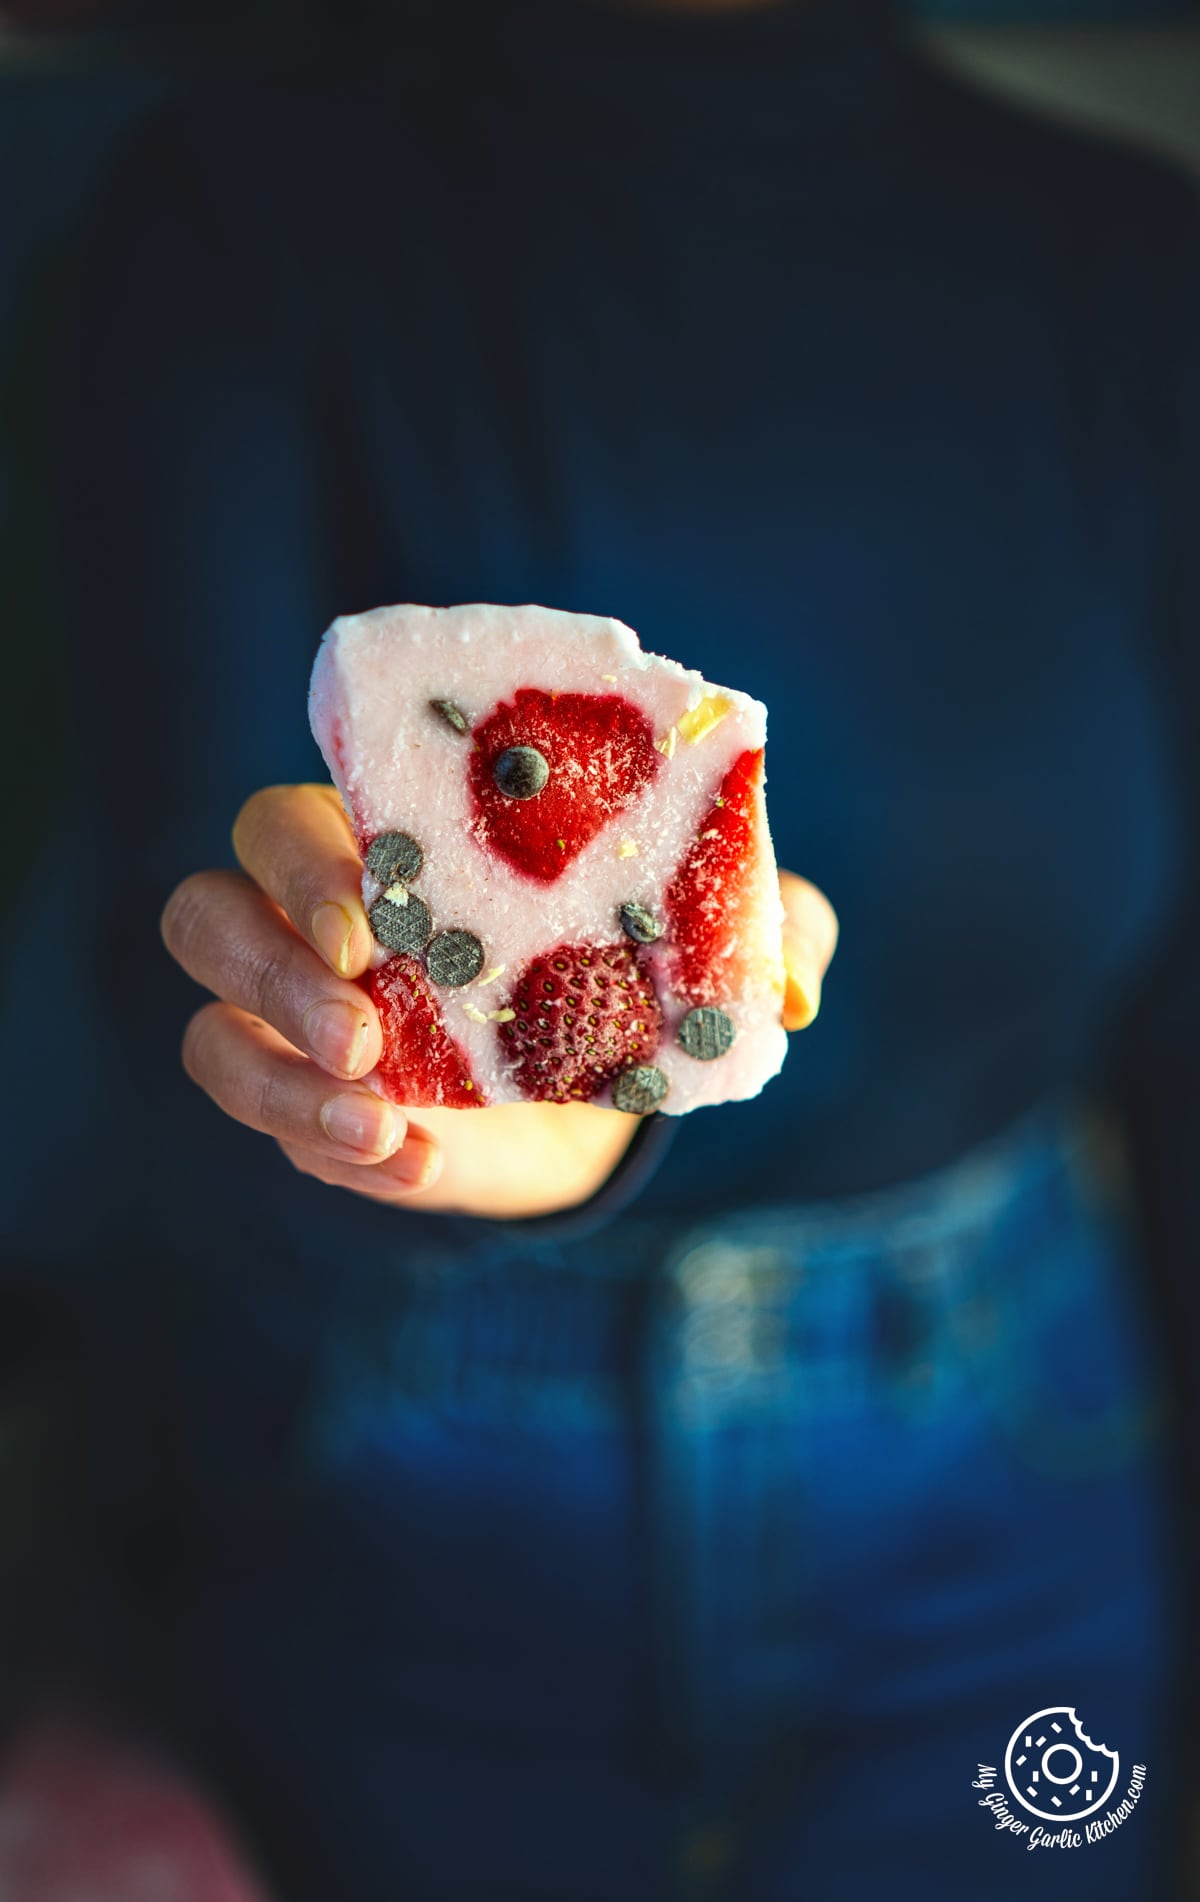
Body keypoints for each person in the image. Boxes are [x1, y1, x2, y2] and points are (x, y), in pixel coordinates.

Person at [4, 0, 1199, 1896]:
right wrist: (460, 1092)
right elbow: (157, 924)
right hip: (403, 1457)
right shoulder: (236, 213)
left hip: (1015, 1471)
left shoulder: (1143, 271)